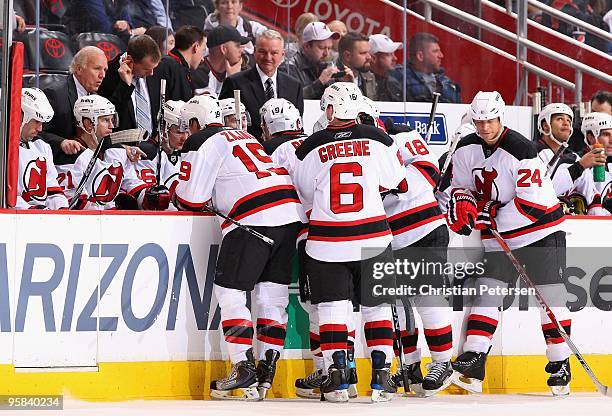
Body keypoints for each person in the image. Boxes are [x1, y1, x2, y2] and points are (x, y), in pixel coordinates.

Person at [174, 95, 305, 401]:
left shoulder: (201, 139)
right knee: (272, 297)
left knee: (230, 293)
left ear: (195, 123)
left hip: (253, 217)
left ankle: (243, 366)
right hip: (290, 214)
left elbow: (191, 198)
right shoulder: (245, 134)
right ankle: (267, 369)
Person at [447, 91, 571, 396]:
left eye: (490, 120)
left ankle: (560, 364)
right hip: (499, 234)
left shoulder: (522, 149)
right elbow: (459, 186)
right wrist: (463, 201)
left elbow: (531, 206)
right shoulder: (465, 148)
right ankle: (475, 358)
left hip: (540, 232)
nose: (485, 126)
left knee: (550, 297)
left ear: (501, 117)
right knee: (487, 292)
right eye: (479, 120)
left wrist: (490, 212)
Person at [292, 83, 408, 403]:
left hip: (328, 241)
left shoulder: (308, 146)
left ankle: (338, 376)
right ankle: (382, 376)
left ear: (330, 110)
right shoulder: (379, 139)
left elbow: (304, 195)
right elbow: (396, 181)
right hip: (374, 237)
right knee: (377, 307)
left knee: (332, 309)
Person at [357, 97, 454, 396]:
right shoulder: (356, 148)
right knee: (399, 307)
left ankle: (442, 363)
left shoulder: (401, 134)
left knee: (429, 300)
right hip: (389, 238)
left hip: (424, 230)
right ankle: (409, 364)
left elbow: (427, 171)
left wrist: (387, 184)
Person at [51, 95, 166, 211]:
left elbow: (133, 185)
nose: (111, 126)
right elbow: (75, 203)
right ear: (88, 124)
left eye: (112, 120)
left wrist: (149, 198)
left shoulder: (118, 151)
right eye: (106, 120)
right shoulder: (70, 156)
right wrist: (111, 213)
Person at [220, 30, 304, 141]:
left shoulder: (294, 86)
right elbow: (224, 125)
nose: (268, 58)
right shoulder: (235, 83)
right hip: (248, 151)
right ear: (254, 51)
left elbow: (298, 126)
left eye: (274, 53)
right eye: (263, 52)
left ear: (282, 55)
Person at [536, 103, 608, 216]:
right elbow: (541, 193)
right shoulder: (531, 154)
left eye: (569, 121)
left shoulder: (574, 158)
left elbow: (593, 199)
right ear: (545, 125)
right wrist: (580, 166)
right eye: (559, 119)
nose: (566, 123)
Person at [98, 35, 162, 136]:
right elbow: (109, 117)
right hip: (122, 145)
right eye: (146, 69)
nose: (151, 73)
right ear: (130, 60)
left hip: (152, 144)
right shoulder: (106, 75)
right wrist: (125, 85)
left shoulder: (152, 70)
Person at [15, 88, 68, 210]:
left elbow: (52, 189)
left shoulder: (42, 147)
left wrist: (61, 208)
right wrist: (32, 211)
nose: (40, 129)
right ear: (20, 116)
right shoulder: (4, 149)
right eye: (37, 122)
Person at [43, 47, 108, 142]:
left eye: (105, 70)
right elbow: (39, 132)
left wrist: (121, 147)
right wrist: (61, 142)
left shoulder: (98, 98)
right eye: (97, 68)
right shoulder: (55, 94)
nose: (102, 75)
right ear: (79, 69)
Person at [135, 100, 189, 205]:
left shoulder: (186, 153)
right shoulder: (147, 152)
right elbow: (148, 201)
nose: (185, 137)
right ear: (163, 127)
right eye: (179, 132)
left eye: (187, 132)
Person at [282, 22, 353, 100]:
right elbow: (291, 100)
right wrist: (319, 83)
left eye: (329, 48)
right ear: (307, 46)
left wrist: (347, 85)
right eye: (322, 48)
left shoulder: (326, 65)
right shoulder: (289, 67)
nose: (326, 53)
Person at [391, 32, 461, 104]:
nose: (441, 55)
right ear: (420, 56)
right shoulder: (400, 77)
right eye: (435, 51)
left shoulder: (448, 83)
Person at [153, 26, 207, 102]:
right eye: (203, 50)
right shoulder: (169, 66)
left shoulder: (179, 67)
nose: (202, 59)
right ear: (196, 47)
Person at [201, 25, 250, 96]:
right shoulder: (199, 75)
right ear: (223, 49)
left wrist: (235, 79)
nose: (242, 51)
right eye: (237, 46)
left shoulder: (243, 72)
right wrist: (232, 81)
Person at [582, 112, 612, 214]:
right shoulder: (573, 165)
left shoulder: (610, 166)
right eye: (606, 134)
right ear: (590, 137)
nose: (611, 140)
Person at [337, 32, 377, 99]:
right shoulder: (332, 78)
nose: (369, 57)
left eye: (368, 52)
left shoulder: (369, 77)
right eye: (363, 53)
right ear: (347, 56)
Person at [369, 34, 403, 102]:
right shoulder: (362, 83)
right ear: (373, 58)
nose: (395, 58)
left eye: (393, 54)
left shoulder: (394, 83)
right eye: (389, 54)